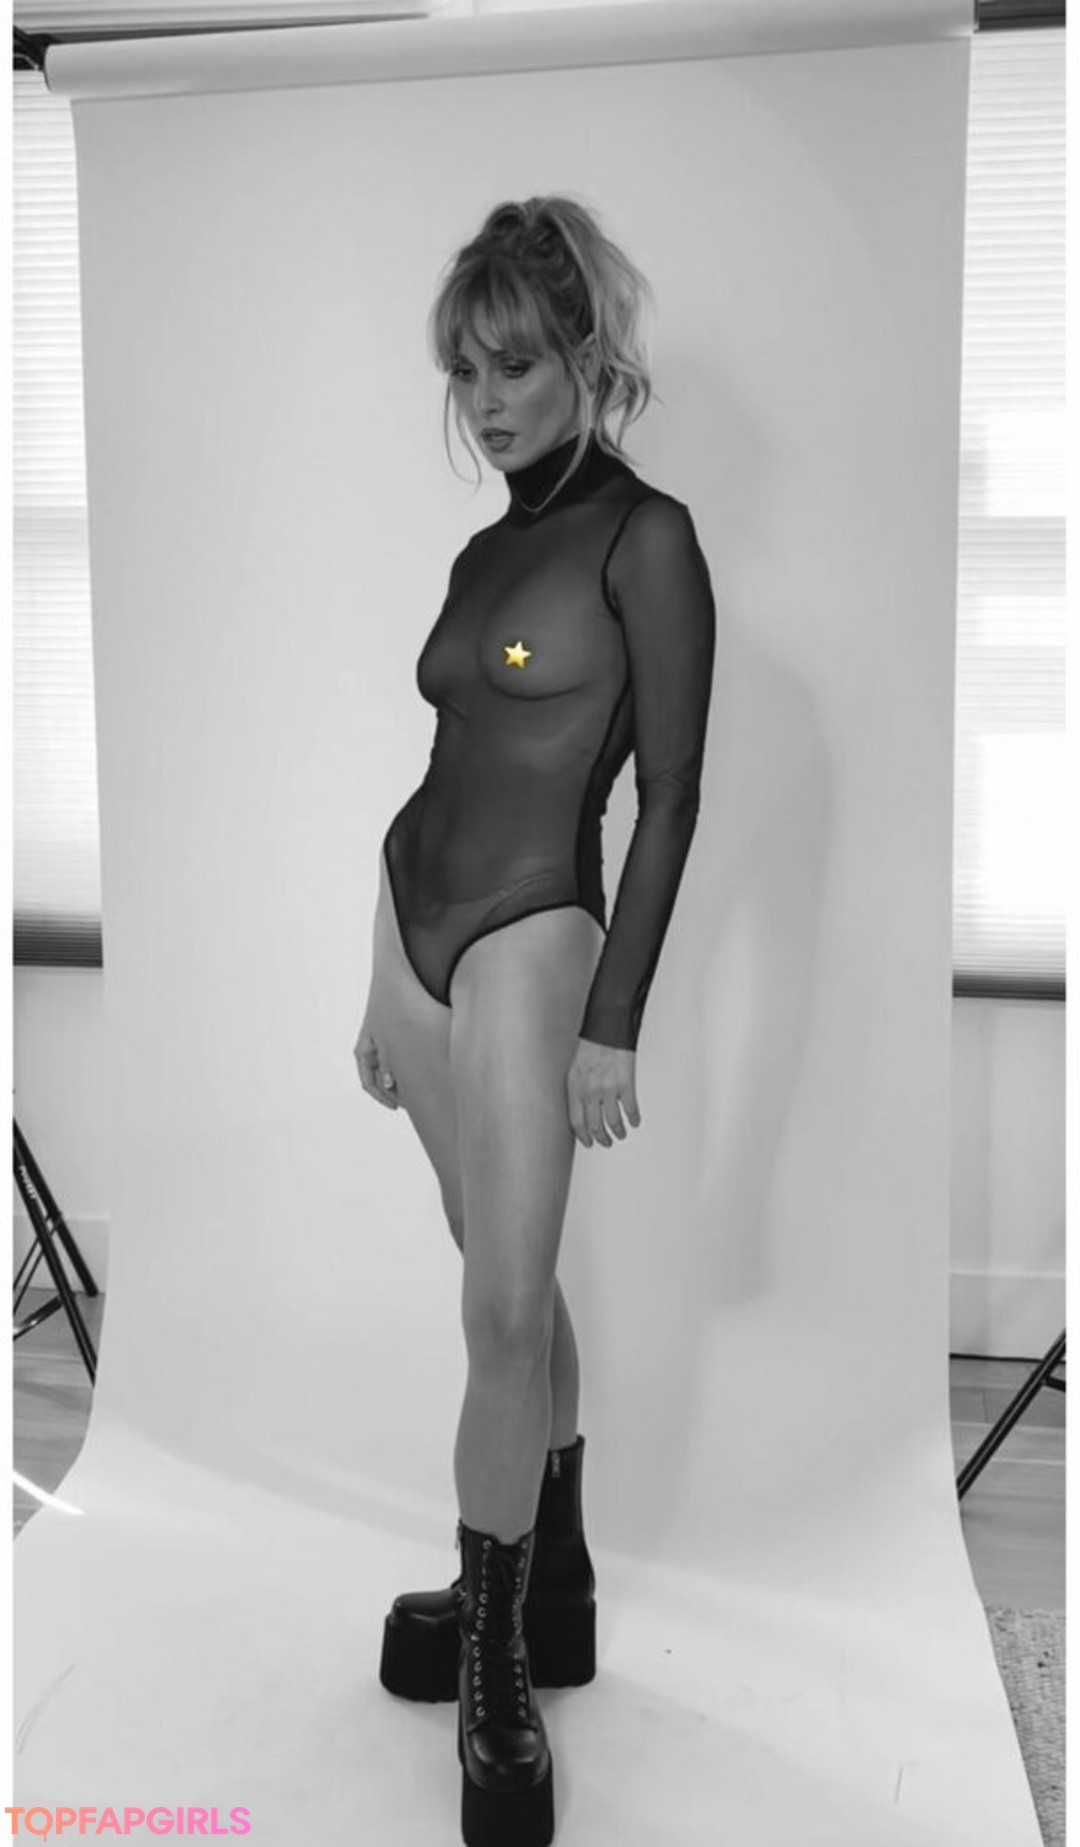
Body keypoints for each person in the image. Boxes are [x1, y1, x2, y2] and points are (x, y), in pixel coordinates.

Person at [353, 194, 717, 1847]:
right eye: (466, 370)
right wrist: (378, 980)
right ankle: (546, 1578)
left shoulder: (649, 539)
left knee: (501, 1316)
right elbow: (448, 758)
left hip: (530, 940)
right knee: (499, 1277)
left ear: (583, 351)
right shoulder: (482, 550)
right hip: (410, 930)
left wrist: (613, 1018)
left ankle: (498, 1662)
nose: (487, 399)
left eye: (514, 363)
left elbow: (673, 795)